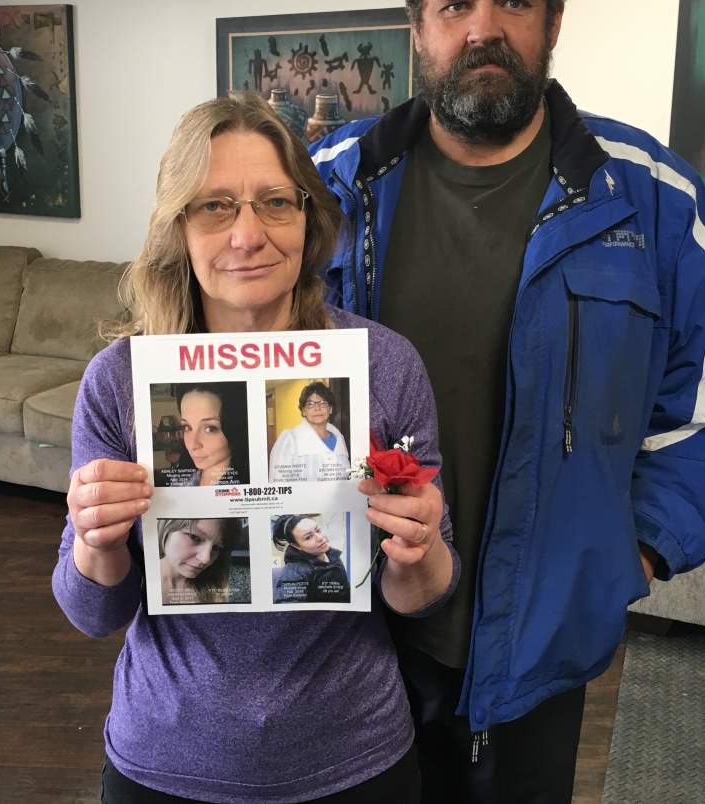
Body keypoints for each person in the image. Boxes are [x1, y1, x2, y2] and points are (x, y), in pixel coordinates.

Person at [309, 0, 705, 801]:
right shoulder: (325, 186)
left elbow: (703, 405)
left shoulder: (655, 200)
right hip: (353, 630)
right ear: (417, 27)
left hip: (544, 635)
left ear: (553, 18)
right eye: (457, 3)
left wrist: (633, 555)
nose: (485, 28)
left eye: (513, 0)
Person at [52, 92, 461, 803]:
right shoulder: (120, 381)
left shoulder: (383, 365)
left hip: (353, 757)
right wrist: (97, 539)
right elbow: (92, 614)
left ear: (309, 220)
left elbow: (422, 600)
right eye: (215, 206)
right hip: (165, 760)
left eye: (276, 202)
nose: (248, 234)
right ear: (178, 226)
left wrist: (418, 549)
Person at [156, 383, 250, 487]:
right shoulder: (179, 483)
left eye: (209, 429)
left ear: (235, 428)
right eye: (187, 427)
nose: (193, 444)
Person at [268, 381, 351, 481]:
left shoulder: (339, 438)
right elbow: (278, 482)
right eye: (310, 404)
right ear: (303, 410)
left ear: (330, 409)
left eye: (323, 403)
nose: (317, 408)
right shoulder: (289, 439)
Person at [158, 517, 246, 605]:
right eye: (195, 537)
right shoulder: (146, 583)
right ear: (167, 528)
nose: (206, 559)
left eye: (216, 548)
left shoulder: (215, 582)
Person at [271, 514, 351, 603]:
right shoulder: (294, 573)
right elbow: (289, 607)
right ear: (296, 546)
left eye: (318, 530)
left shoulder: (331, 554)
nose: (320, 538)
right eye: (308, 537)